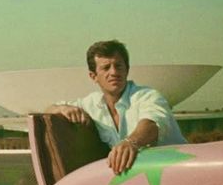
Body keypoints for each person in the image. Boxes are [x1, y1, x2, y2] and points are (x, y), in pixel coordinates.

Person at [46, 40, 186, 175]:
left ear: (127, 70)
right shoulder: (91, 103)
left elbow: (151, 124)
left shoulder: (148, 96)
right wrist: (62, 109)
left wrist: (130, 143)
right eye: (106, 68)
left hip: (176, 172)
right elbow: (48, 109)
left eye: (118, 66)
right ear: (93, 76)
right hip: (138, 180)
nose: (114, 72)